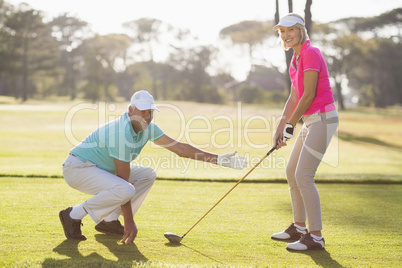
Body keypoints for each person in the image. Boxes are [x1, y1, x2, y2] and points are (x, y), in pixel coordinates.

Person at [60, 90, 247, 244]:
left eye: (150, 111)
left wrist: (218, 159)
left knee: (147, 174)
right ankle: (73, 215)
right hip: (77, 169)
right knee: (124, 188)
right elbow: (123, 181)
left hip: (98, 168)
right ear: (130, 110)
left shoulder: (148, 127)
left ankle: (109, 221)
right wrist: (129, 222)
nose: (147, 116)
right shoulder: (120, 133)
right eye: (143, 111)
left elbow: (180, 148)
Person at [270, 13, 339, 251]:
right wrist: (281, 125)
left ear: (301, 31)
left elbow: (309, 95)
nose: (286, 35)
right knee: (292, 171)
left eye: (290, 30)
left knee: (304, 175)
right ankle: (299, 227)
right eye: (282, 32)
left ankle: (316, 236)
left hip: (322, 118)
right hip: (311, 120)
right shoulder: (296, 59)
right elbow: (294, 97)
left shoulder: (311, 53)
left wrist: (290, 126)